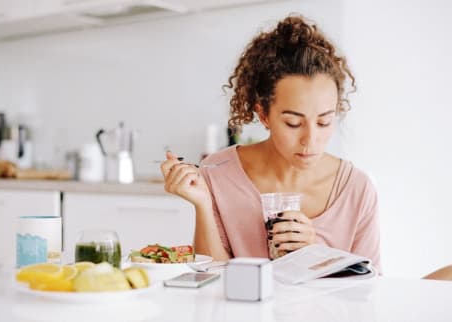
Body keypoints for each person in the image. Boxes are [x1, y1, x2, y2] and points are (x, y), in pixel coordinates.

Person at [160, 15, 452, 280]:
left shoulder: (356, 188)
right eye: (293, 123)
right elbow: (213, 281)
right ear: (263, 114)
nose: (310, 141)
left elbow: (371, 290)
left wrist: (315, 252)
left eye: (324, 122)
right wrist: (202, 203)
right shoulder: (218, 171)